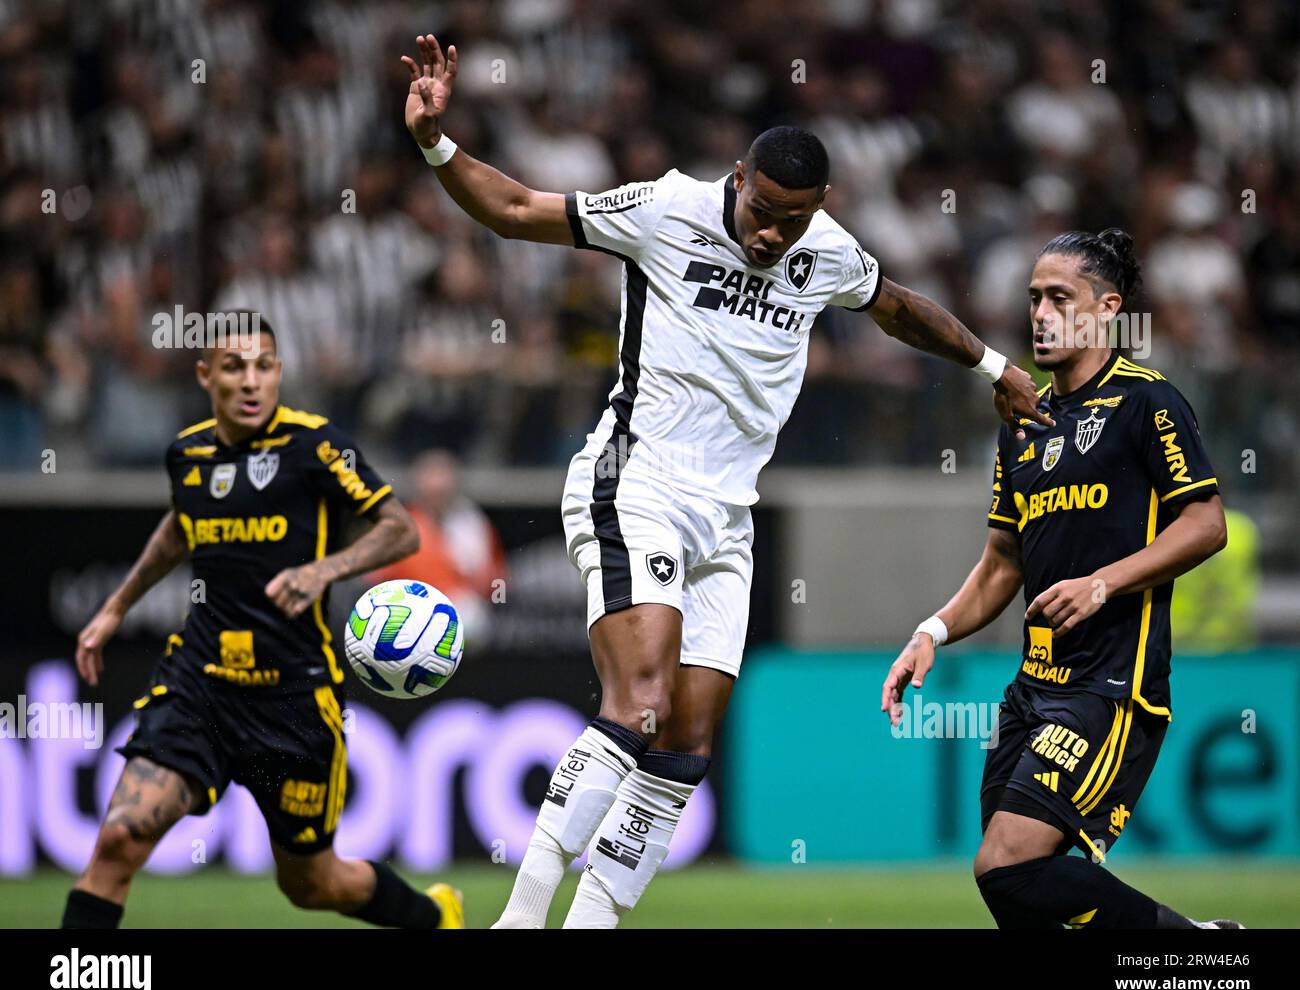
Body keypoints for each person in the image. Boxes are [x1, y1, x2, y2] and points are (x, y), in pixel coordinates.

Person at [400, 34, 1049, 929]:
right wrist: (437, 142)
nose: (774, 234)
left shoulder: (823, 250)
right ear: (738, 177)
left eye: (796, 218)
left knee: (684, 745)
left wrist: (993, 367)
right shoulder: (667, 209)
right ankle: (520, 920)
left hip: (727, 518)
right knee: (638, 707)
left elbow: (898, 308)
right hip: (639, 483)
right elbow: (514, 207)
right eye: (766, 210)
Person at [883, 231, 1241, 929]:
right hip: (1031, 691)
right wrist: (933, 631)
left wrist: (1103, 583)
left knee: (1007, 864)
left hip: (1111, 685)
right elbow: (1002, 564)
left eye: (1058, 298)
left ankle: (1198, 946)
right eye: (1033, 299)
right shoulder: (1021, 423)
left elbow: (1206, 523)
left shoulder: (1148, 403)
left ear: (1106, 309)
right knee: (1019, 893)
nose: (1040, 315)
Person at [64, 313, 464, 930]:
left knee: (310, 884)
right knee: (118, 842)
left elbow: (400, 529)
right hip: (201, 684)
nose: (251, 382)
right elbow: (180, 528)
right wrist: (116, 606)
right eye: (233, 368)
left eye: (263, 366)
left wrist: (324, 570)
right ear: (205, 375)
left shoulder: (316, 447)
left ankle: (435, 919)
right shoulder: (188, 454)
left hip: (293, 699)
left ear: (278, 371)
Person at [367, 448, 507, 641]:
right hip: (405, 621)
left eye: (443, 476)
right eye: (431, 476)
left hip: (463, 622)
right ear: (418, 482)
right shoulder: (397, 527)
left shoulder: (473, 524)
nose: (438, 486)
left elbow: (495, 581)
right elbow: (375, 585)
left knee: (471, 616)